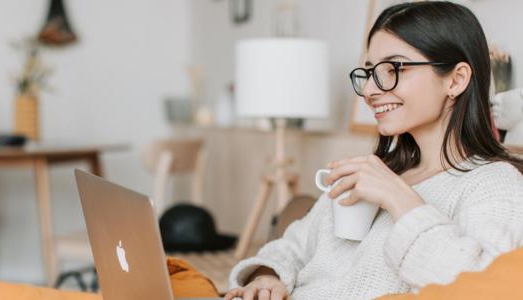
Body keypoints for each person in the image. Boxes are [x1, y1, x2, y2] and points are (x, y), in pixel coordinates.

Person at [224, 2, 523, 299]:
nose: (369, 91)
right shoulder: (378, 170)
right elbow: (291, 246)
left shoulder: (495, 185)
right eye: (369, 72)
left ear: (456, 79)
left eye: (393, 68)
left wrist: (399, 198)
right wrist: (268, 276)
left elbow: (482, 286)